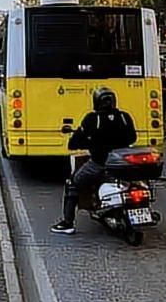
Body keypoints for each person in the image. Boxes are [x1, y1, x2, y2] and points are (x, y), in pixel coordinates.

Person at [51, 88, 137, 233]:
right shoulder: (124, 116)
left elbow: (76, 141)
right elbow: (132, 138)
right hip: (122, 165)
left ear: (96, 101)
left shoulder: (92, 118)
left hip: (99, 163)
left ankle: (67, 223)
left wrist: (86, 144)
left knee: (73, 184)